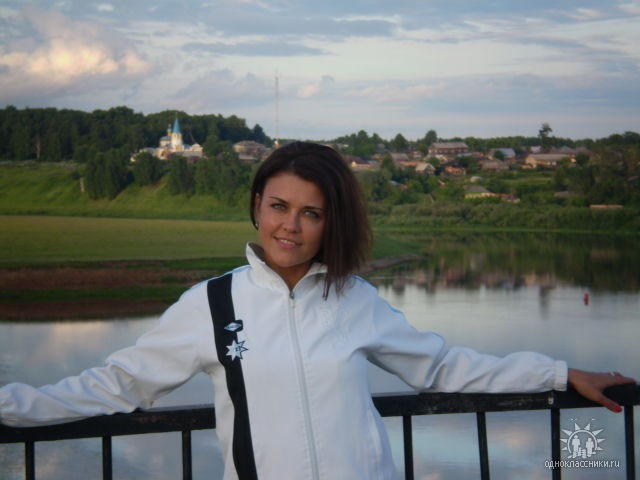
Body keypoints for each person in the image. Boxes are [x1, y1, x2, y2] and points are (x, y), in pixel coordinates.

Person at [0, 141, 635, 479]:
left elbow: (442, 368)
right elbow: (118, 384)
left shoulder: (354, 298)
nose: (291, 226)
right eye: (279, 206)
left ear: (332, 222)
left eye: (312, 213)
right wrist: (10, 405)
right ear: (256, 205)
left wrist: (559, 374)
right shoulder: (211, 304)